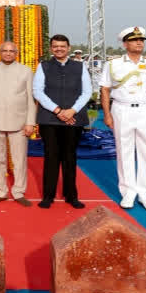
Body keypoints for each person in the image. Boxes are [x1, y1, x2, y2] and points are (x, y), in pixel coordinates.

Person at [100, 26, 146, 210]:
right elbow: (105, 89)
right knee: (124, 151)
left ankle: (145, 194)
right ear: (124, 43)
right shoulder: (113, 64)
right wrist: (107, 114)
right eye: (135, 40)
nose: (139, 43)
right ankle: (128, 192)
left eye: (141, 40)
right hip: (122, 110)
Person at [34, 34, 91, 209]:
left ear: (69, 47)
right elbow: (37, 91)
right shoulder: (43, 66)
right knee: (51, 157)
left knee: (70, 157)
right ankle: (48, 196)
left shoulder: (80, 66)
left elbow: (87, 92)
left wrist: (72, 110)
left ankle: (71, 195)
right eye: (55, 46)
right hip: (50, 119)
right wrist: (58, 111)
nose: (59, 49)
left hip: (73, 119)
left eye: (62, 46)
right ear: (51, 48)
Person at [0, 40, 37, 206]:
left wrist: (30, 123)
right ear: (0, 52)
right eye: (5, 50)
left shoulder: (25, 71)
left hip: (19, 122)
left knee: (19, 160)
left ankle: (18, 192)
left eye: (11, 51)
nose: (8, 53)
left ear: (16, 53)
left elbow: (30, 98)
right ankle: (1, 191)